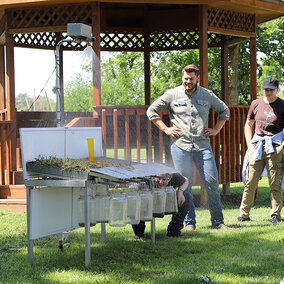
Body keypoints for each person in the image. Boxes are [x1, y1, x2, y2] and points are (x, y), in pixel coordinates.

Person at [146, 64, 230, 230]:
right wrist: (165, 128)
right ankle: (189, 223)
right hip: (180, 146)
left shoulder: (207, 95)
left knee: (212, 182)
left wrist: (216, 129)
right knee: (185, 185)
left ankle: (218, 222)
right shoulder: (172, 94)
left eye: (191, 79)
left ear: (198, 78)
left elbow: (224, 111)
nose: (188, 82)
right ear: (182, 78)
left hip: (203, 145)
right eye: (185, 79)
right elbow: (152, 111)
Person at [238, 76, 284, 224]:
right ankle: (243, 214)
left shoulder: (282, 105)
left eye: (271, 90)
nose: (268, 92)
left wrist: (282, 147)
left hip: (275, 148)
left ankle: (275, 215)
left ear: (277, 89)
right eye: (266, 90)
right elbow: (248, 124)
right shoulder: (256, 104)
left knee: (274, 184)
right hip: (257, 146)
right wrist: (250, 146)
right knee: (250, 182)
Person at [132, 172, 190, 238]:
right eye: (158, 179)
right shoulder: (145, 178)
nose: (161, 182)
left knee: (187, 196)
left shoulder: (174, 176)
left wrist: (181, 191)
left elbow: (186, 180)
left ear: (170, 178)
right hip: (147, 204)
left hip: (165, 203)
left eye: (164, 179)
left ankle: (174, 231)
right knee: (134, 199)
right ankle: (139, 233)